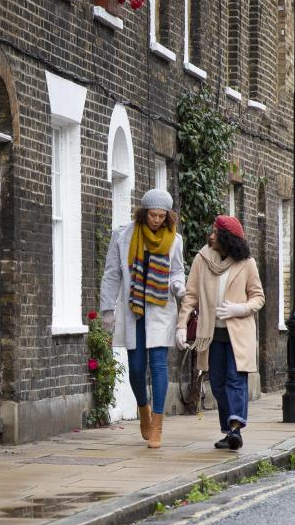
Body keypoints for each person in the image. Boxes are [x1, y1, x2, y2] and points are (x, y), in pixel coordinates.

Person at [98, 188, 186, 449]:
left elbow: (177, 271)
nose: (156, 220)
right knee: (136, 368)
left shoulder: (175, 240)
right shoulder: (123, 236)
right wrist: (107, 310)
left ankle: (157, 423)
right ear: (144, 213)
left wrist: (178, 286)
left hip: (160, 310)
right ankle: (143, 408)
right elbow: (112, 274)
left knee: (158, 365)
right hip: (133, 309)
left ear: (167, 216)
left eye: (161, 216)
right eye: (152, 215)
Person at [177, 215, 265, 451]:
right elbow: (191, 296)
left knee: (235, 380)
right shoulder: (202, 259)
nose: (211, 236)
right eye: (212, 232)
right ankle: (229, 431)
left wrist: (240, 308)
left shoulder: (246, 263)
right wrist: (181, 326)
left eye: (216, 233)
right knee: (217, 383)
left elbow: (258, 297)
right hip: (211, 334)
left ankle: (235, 428)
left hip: (238, 335)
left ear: (227, 238)